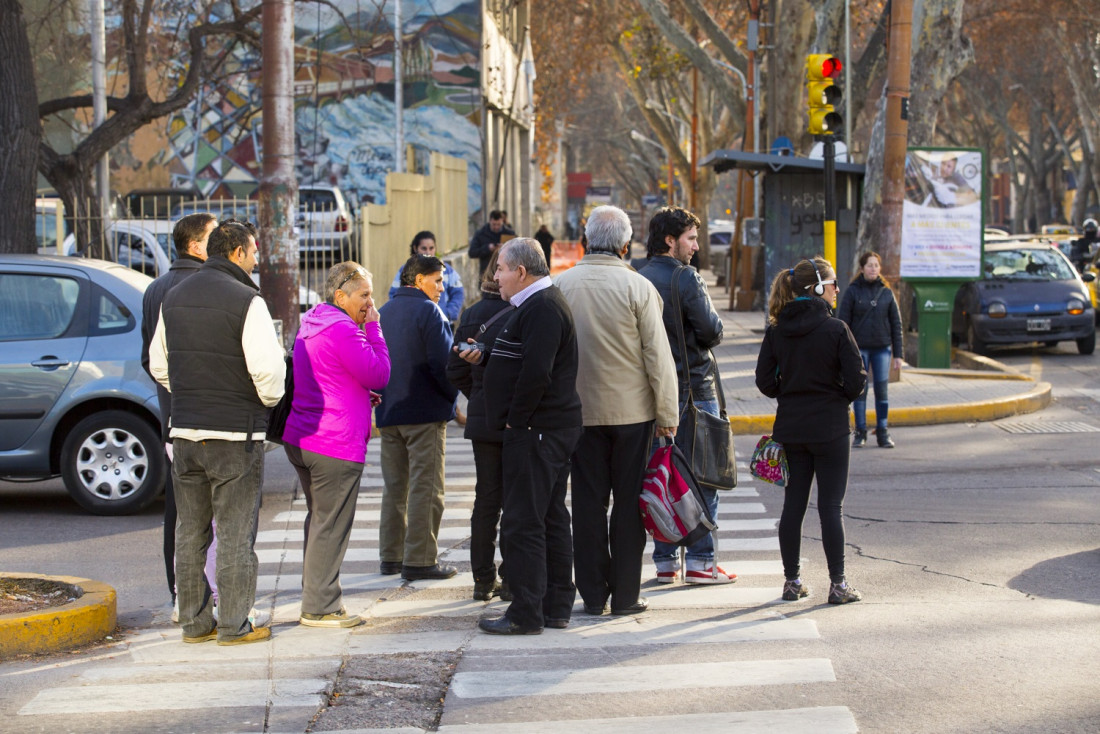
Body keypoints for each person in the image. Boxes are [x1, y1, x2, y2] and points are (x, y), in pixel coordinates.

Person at [149, 220, 285, 644]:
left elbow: (159, 365)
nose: (257, 258)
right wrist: (261, 402)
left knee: (190, 534)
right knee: (234, 534)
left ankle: (194, 623)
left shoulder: (173, 296)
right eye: (255, 251)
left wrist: (190, 392)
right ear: (240, 253)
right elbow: (269, 375)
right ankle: (234, 624)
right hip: (234, 435)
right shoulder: (248, 300)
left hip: (185, 432)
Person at [555, 205, 679, 616]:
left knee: (588, 505)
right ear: (627, 245)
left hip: (579, 414)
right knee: (627, 505)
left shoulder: (562, 286)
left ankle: (592, 595)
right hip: (633, 416)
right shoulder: (639, 288)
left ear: (585, 241)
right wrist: (667, 416)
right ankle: (625, 596)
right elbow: (657, 358)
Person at [477, 238, 583, 635]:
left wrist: (515, 422)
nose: (496, 277)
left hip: (538, 430)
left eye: (501, 269)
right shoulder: (537, 305)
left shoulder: (543, 307)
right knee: (550, 516)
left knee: (523, 521)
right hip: (546, 427)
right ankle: (555, 606)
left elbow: (537, 373)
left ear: (521, 272)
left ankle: (526, 612)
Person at [282, 262, 390, 628]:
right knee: (331, 523)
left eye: (371, 295)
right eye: (364, 295)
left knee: (319, 521)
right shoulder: (345, 328)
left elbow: (325, 377)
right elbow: (379, 373)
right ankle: (320, 607)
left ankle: (314, 593)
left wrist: (360, 398)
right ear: (340, 296)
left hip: (303, 436)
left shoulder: (312, 323)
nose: (370, 302)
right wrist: (374, 328)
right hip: (334, 441)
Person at [754, 256, 867, 605]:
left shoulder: (776, 330)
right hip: (831, 428)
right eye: (833, 284)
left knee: (794, 506)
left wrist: (786, 392)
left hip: (792, 428)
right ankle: (838, 585)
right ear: (818, 288)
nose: (837, 290)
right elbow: (857, 381)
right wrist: (837, 396)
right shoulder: (835, 329)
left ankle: (792, 582)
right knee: (831, 507)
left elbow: (764, 381)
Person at [639, 206, 736, 585]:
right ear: (670, 240)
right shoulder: (686, 278)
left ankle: (665, 563)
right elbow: (712, 332)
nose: (696, 246)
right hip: (695, 391)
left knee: (662, 476)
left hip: (652, 397)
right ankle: (700, 560)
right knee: (704, 478)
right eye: (691, 238)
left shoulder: (640, 278)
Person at [140, 212, 217, 617]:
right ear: (196, 246)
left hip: (174, 416)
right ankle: (209, 595)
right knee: (217, 514)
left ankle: (179, 594)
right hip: (210, 416)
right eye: (214, 235)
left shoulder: (155, 289)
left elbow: (148, 359)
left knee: (180, 511)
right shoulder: (208, 286)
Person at [376, 254, 460, 581]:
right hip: (424, 411)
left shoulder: (383, 312)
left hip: (389, 410)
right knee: (426, 487)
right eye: (437, 280)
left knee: (395, 487)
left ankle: (391, 556)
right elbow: (444, 366)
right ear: (418, 280)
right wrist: (451, 398)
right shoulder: (429, 311)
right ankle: (421, 559)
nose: (442, 287)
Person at [446, 250, 512, 601]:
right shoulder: (521, 309)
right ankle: (511, 576)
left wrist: (480, 396)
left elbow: (454, 368)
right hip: (518, 419)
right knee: (517, 500)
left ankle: (482, 579)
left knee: (486, 500)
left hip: (485, 421)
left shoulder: (471, 315)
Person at [837, 251, 903, 449]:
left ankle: (883, 432)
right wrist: (842, 353)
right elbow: (843, 323)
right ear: (862, 268)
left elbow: (896, 324)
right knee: (860, 391)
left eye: (876, 265)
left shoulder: (886, 292)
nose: (873, 268)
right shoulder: (852, 291)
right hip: (859, 349)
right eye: (869, 265)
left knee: (882, 392)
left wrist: (898, 355)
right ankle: (860, 431)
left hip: (882, 348)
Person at [388, 231, 465, 323]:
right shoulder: (405, 271)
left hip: (441, 321)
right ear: (415, 248)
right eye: (424, 248)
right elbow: (394, 294)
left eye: (431, 248)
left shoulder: (446, 270)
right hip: (413, 323)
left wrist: (449, 313)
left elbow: (458, 293)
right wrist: (404, 314)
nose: (428, 252)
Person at [469, 210, 515, 277]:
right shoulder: (481, 234)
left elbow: (517, 252)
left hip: (506, 273)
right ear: (490, 221)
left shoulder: (509, 233)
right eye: (494, 224)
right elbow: (472, 252)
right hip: (486, 273)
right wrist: (487, 248)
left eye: (498, 224)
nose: (496, 227)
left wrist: (505, 248)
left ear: (502, 221)